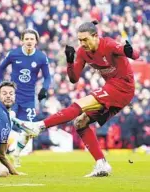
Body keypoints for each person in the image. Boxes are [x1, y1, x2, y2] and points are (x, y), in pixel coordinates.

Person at [13, 21, 140, 177]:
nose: (82, 43)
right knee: (80, 122)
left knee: (81, 103)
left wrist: (130, 51)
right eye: (79, 40)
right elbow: (74, 78)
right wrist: (69, 61)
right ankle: (101, 164)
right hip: (114, 90)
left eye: (85, 39)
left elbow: (136, 54)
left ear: (95, 36)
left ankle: (39, 126)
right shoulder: (82, 52)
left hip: (123, 88)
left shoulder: (109, 45)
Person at [0, 28, 51, 167]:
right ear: (22, 40)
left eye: (31, 39)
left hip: (29, 98)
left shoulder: (41, 57)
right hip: (13, 96)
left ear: (36, 41)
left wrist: (44, 89)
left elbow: (47, 77)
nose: (29, 41)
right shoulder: (14, 54)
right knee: (8, 121)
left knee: (30, 131)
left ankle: (16, 153)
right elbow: (0, 69)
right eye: (26, 39)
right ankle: (1, 152)